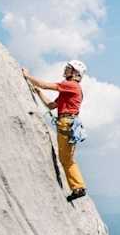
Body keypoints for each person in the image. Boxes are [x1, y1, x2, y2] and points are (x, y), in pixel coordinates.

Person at [24, 60, 88, 202]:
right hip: (67, 123)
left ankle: (78, 187)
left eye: (68, 68)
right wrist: (38, 92)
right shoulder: (70, 89)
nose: (65, 70)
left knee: (66, 159)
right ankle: (78, 187)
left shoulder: (71, 85)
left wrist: (28, 76)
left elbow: (46, 85)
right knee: (66, 158)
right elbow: (51, 105)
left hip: (66, 123)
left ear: (75, 73)